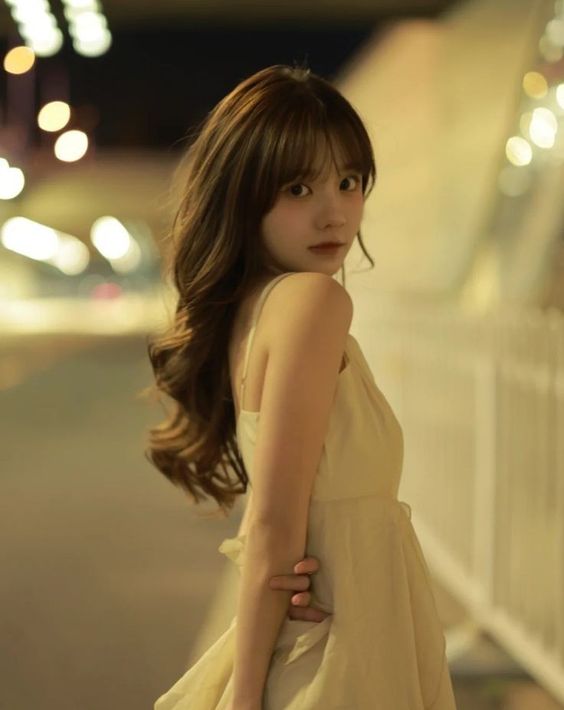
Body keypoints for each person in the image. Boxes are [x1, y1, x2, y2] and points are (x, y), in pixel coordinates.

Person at [147, 64, 457, 709]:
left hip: (337, 627)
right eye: (297, 188)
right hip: (339, 644)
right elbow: (272, 525)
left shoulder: (256, 307)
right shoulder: (313, 303)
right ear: (242, 195)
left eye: (348, 182)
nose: (334, 212)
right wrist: (247, 698)